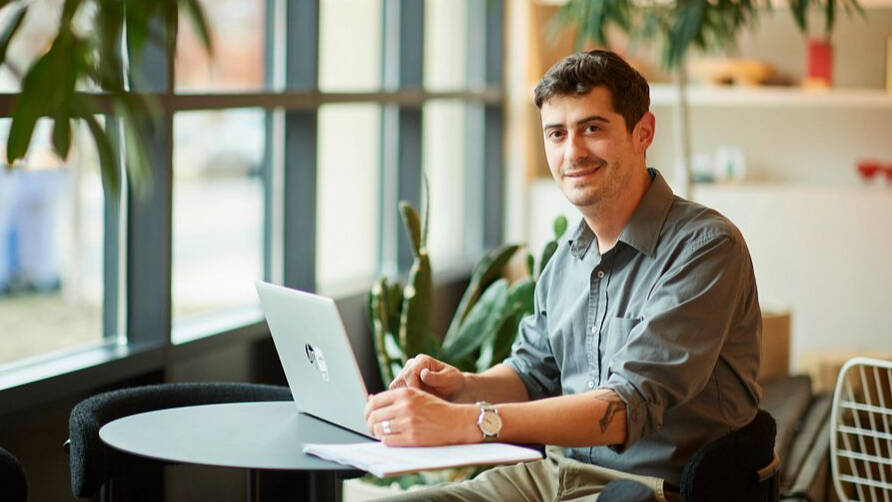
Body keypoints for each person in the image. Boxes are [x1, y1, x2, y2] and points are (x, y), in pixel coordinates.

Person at [363, 49, 762, 501]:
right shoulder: (566, 257)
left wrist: (469, 421)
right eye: (557, 134)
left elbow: (625, 408)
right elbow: (532, 372)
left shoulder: (705, 247)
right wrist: (463, 387)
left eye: (592, 128)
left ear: (643, 132)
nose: (572, 151)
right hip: (550, 476)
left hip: (648, 491)